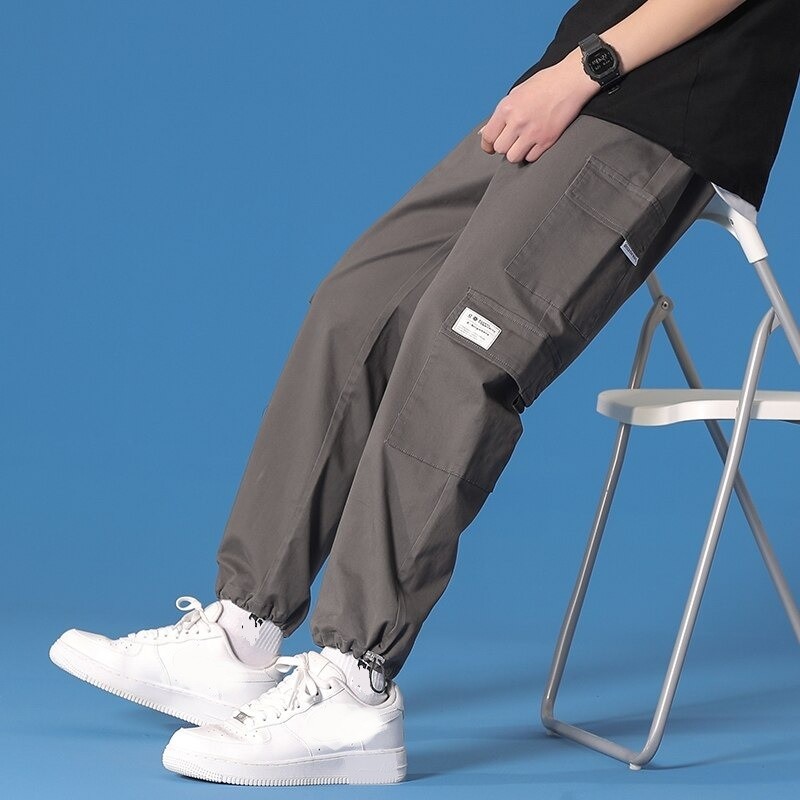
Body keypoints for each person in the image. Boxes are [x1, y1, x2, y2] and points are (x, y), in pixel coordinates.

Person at [49, 0, 799, 787]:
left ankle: (355, 684)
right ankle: (242, 631)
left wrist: (589, 68)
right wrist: (571, 71)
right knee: (355, 310)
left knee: (465, 340)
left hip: (666, 103)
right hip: (576, 77)